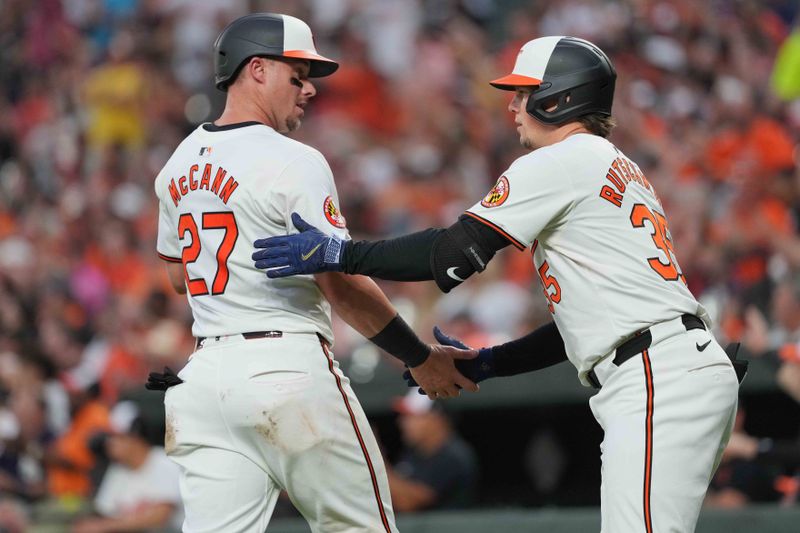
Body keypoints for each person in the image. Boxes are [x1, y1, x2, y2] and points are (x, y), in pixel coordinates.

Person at [253, 36, 745, 532]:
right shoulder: (614, 165)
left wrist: (343, 253)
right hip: (669, 362)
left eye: (523, 92)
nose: (511, 104)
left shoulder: (561, 160)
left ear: (559, 97)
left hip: (655, 374)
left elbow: (450, 256)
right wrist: (489, 363)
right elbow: (578, 327)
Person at [149, 12, 476, 533]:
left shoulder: (177, 164)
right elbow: (340, 281)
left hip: (205, 382)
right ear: (256, 69)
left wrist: (237, 272)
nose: (309, 90)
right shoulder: (291, 159)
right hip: (286, 368)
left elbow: (176, 276)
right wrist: (419, 358)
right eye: (296, 75)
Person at [72, 401, 182, 533]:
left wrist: (103, 526)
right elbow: (106, 513)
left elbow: (160, 517)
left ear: (135, 436)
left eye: (116, 437)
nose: (109, 444)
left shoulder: (164, 462)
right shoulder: (117, 470)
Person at [386, 390, 478, 512]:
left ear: (436, 418)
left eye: (412, 417)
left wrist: (374, 460)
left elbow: (406, 503)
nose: (403, 423)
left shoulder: (453, 456)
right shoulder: (414, 452)